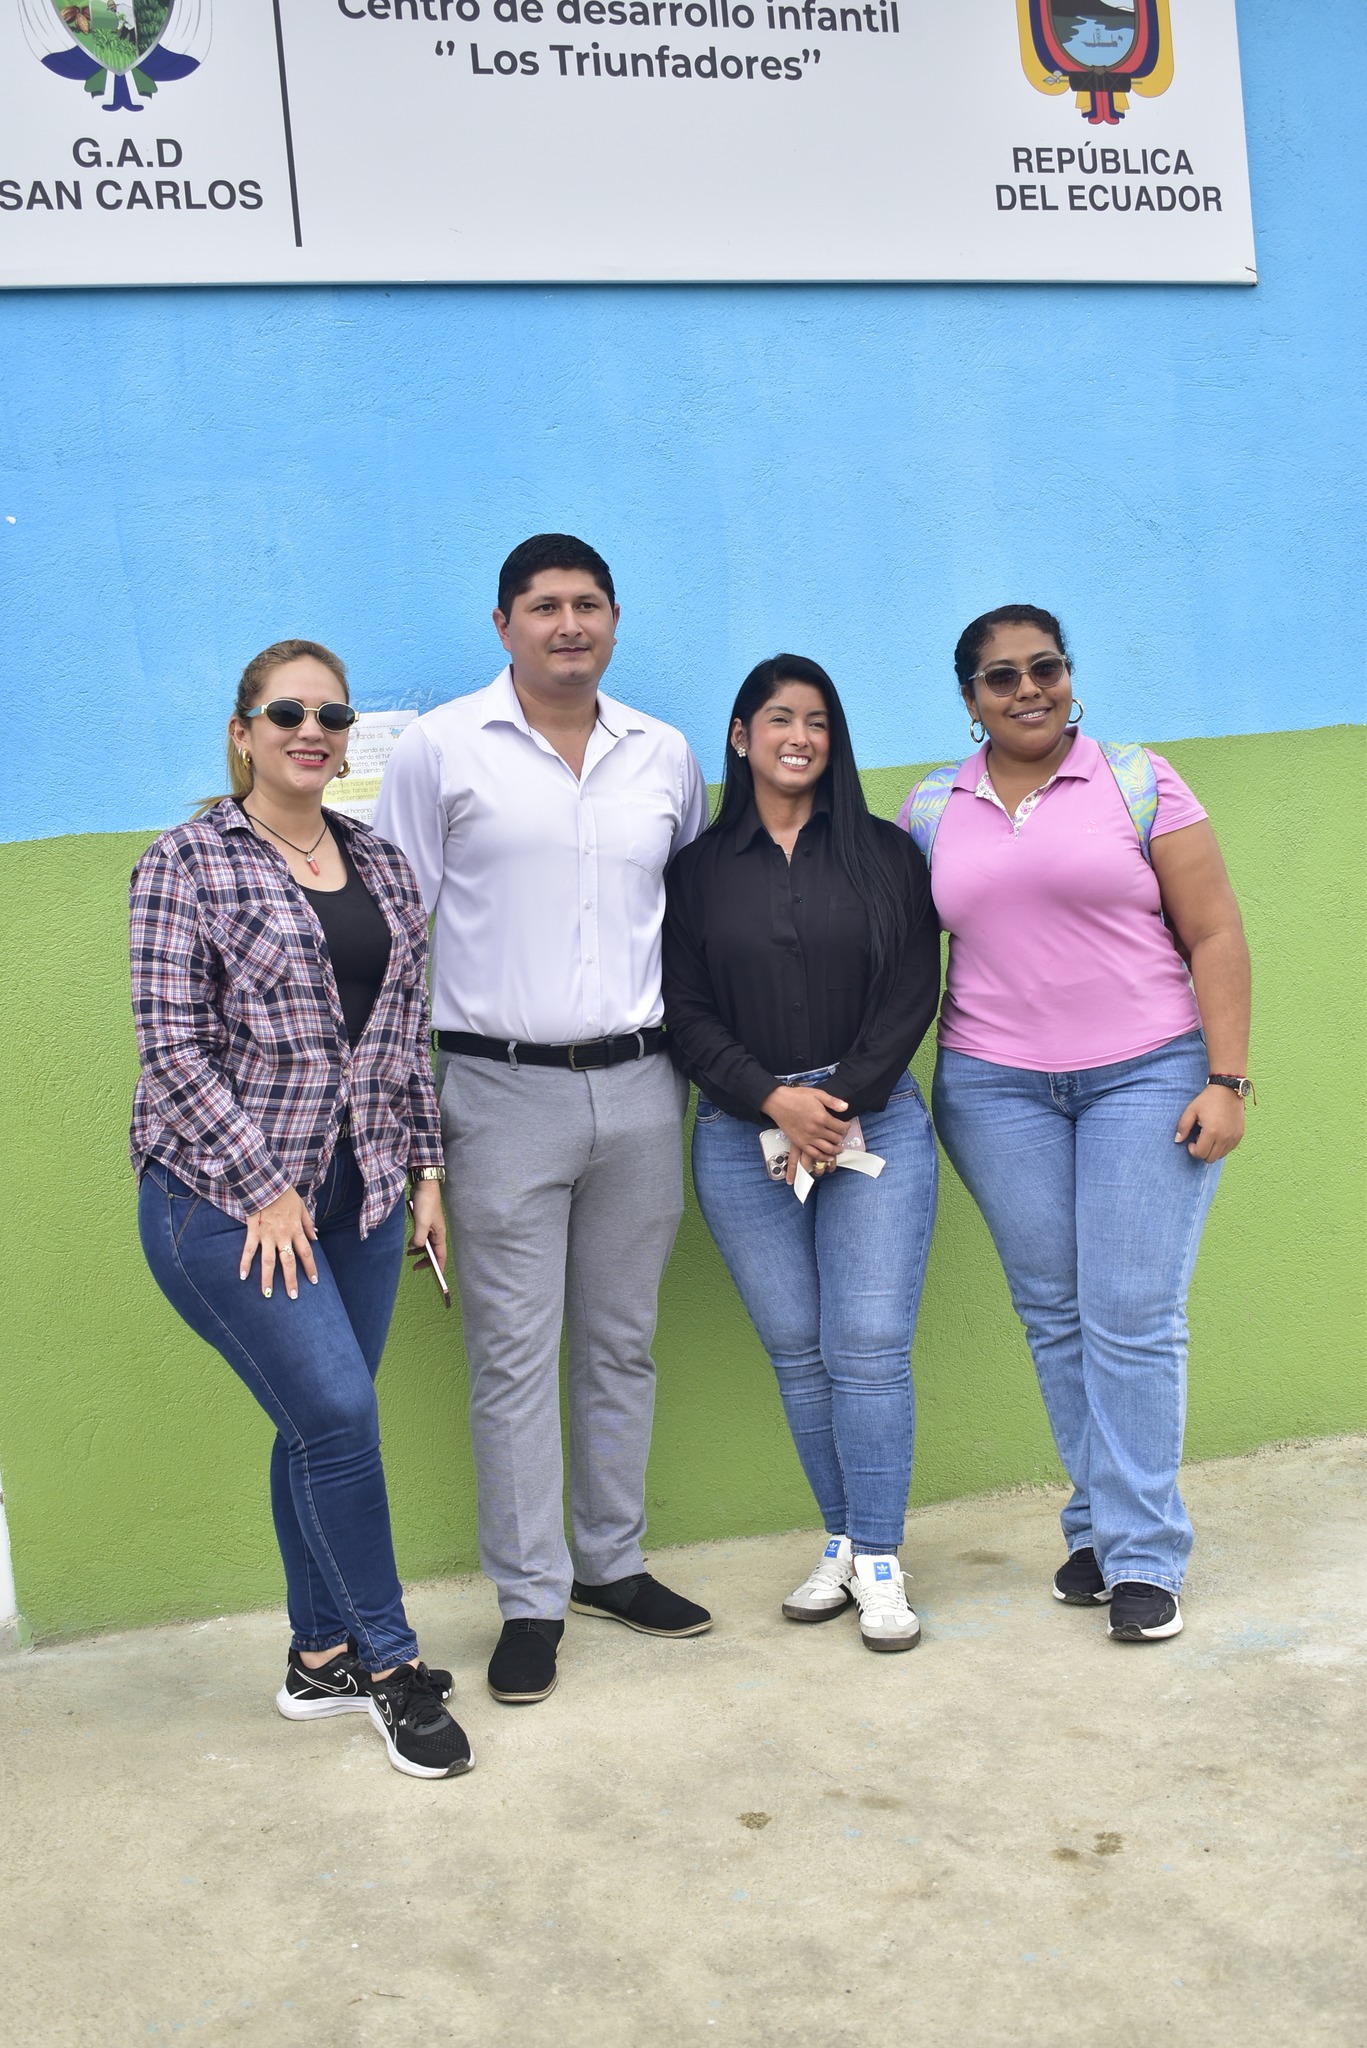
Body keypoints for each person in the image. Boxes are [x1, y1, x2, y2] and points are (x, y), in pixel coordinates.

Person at [373, 535, 712, 1707]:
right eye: (543, 605)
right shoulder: (440, 749)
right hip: (497, 1087)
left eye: (587, 604)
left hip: (641, 1084)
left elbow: (688, 921)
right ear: (503, 623)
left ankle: (611, 1561)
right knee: (512, 1356)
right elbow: (395, 940)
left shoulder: (663, 753)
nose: (568, 624)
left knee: (621, 1340)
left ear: (613, 619)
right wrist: (413, 1138)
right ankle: (531, 1597)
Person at [131, 639, 472, 1778]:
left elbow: (403, 1042)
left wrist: (425, 1174)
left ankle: (317, 1655)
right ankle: (389, 1665)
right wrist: (265, 1186)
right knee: (336, 1413)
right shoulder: (185, 862)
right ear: (244, 731)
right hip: (222, 1199)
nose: (311, 730)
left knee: (318, 1426)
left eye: (331, 714)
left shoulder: (380, 865)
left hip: (360, 1190)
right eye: (286, 712)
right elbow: (173, 1052)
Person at [902, 605, 1253, 1643]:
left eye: (1043, 667)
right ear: (969, 698)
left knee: (1130, 1314)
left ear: (1068, 676)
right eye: (1000, 676)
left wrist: (1227, 1079)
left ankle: (1142, 1554)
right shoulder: (931, 806)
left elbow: (1212, 931)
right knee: (1055, 1314)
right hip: (992, 1088)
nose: (1027, 689)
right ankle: (1100, 1523)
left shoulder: (1137, 781)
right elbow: (891, 951)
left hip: (1146, 1075)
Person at [662, 656, 941, 1652]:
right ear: (740, 736)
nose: (799, 736)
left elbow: (912, 987)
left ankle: (879, 1559)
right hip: (742, 1130)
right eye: (778, 718)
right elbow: (683, 1009)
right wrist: (773, 1098)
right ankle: (842, 1537)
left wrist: (837, 1101)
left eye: (817, 720)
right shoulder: (695, 871)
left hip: (874, 1120)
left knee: (865, 1346)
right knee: (797, 1349)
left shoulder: (884, 853)